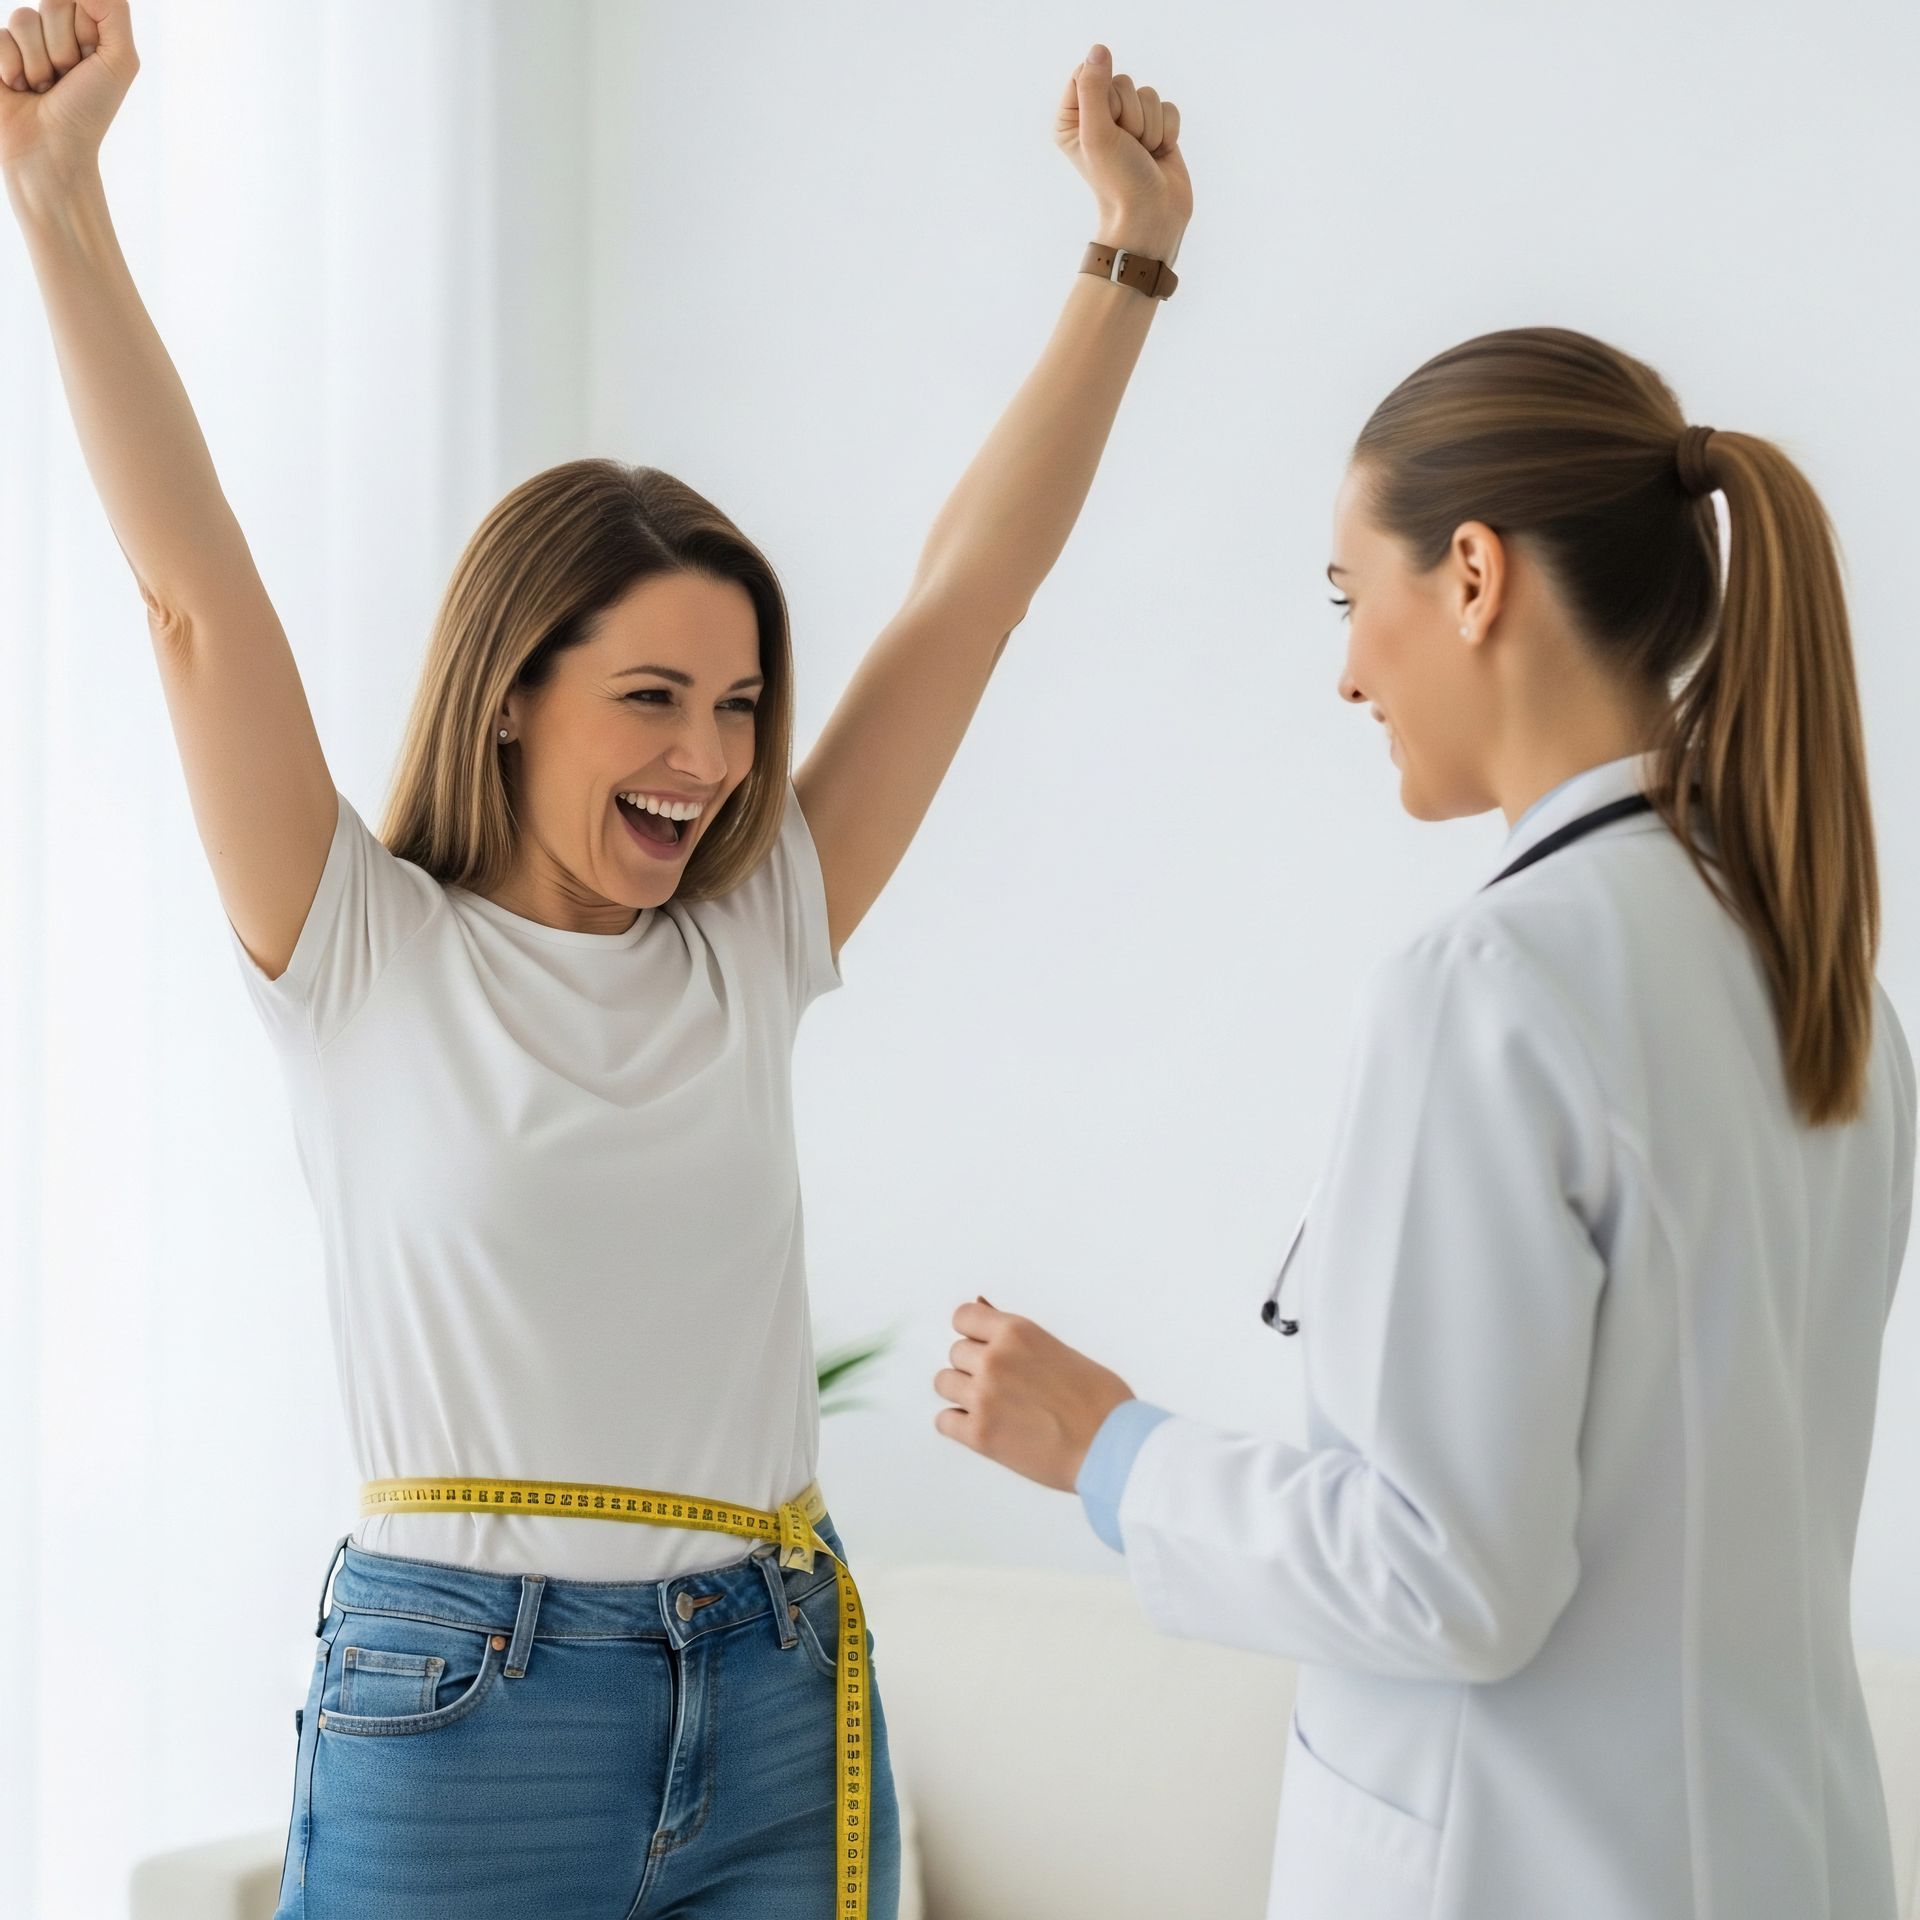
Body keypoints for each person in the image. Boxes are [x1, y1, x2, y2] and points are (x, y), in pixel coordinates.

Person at [0, 7, 1191, 1917]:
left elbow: (974, 588)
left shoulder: (751, 938)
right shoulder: (359, 950)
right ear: (508, 701)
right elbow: (190, 598)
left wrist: (1130, 253)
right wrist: (59, 199)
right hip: (463, 1702)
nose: (711, 759)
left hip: (776, 1679)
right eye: (650, 697)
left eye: (736, 704)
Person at [935, 328, 1916, 1918]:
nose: (1344, 669)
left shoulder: (1492, 985)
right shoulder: (1834, 997)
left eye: (1347, 595)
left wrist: (1109, 1450)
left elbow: (1445, 1577)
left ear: (1471, 577)